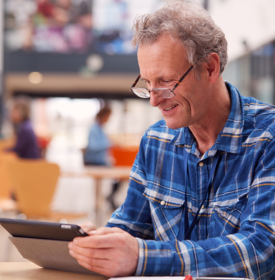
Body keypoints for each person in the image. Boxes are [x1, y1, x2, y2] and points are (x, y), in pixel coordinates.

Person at [68, 1, 275, 279]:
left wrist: (142, 257)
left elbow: (262, 250)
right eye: (148, 84)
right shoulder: (155, 142)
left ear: (211, 68)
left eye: (165, 82)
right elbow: (130, 227)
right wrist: (99, 243)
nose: (154, 99)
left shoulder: (267, 138)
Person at [84, 105, 120, 210]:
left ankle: (110, 197)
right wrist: (108, 143)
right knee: (116, 175)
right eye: (108, 116)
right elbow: (93, 146)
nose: (109, 119)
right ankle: (101, 202)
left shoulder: (100, 128)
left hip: (101, 160)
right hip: (94, 161)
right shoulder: (94, 129)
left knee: (118, 176)